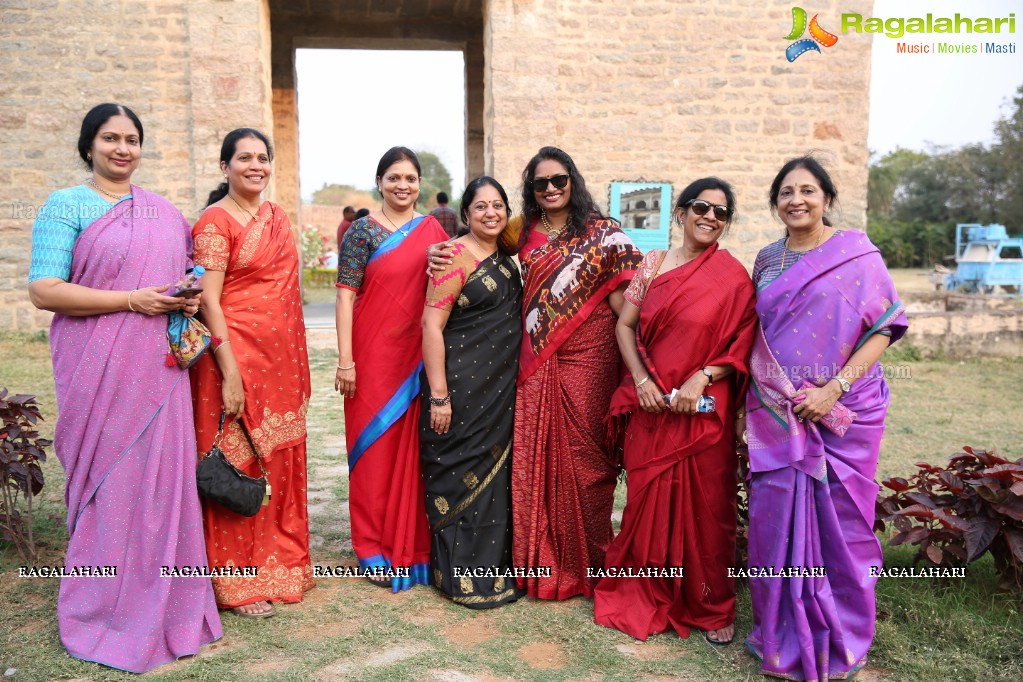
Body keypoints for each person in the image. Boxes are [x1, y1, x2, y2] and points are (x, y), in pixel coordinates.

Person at [26, 103, 221, 672]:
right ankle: (101, 607)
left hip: (158, 371)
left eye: (132, 139)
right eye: (110, 138)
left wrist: (181, 295)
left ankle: (170, 600)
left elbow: (187, 277)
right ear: (89, 146)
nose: (122, 148)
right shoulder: (66, 205)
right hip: (96, 368)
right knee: (107, 483)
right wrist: (131, 300)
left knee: (162, 485)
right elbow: (44, 289)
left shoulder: (162, 212)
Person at [430, 146, 642, 599]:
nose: (550, 189)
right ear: (529, 190)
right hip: (536, 362)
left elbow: (626, 302)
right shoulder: (517, 231)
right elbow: (475, 246)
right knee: (536, 456)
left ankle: (590, 561)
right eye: (539, 183)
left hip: (591, 357)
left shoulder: (603, 233)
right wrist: (438, 251)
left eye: (558, 180)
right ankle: (543, 561)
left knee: (588, 463)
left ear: (573, 182)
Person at [744, 156, 908, 680]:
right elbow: (755, 335)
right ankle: (779, 635)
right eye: (787, 192)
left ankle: (841, 636)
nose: (797, 200)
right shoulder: (767, 259)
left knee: (841, 528)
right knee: (773, 525)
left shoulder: (857, 253)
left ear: (827, 198)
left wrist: (832, 389)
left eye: (808, 191)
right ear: (776, 204)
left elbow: (882, 327)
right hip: (777, 413)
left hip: (843, 413)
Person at [592, 178, 756, 645]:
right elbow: (625, 326)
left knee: (709, 508)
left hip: (704, 410)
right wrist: (641, 379)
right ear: (680, 213)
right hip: (653, 404)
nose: (710, 217)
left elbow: (742, 341)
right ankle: (646, 587)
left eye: (721, 212)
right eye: (701, 207)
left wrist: (705, 374)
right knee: (645, 497)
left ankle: (710, 604)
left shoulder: (734, 278)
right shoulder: (652, 265)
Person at [190, 128, 314, 618]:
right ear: (226, 167)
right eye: (244, 158)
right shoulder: (213, 223)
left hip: (280, 361)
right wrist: (230, 372)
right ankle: (236, 582)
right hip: (232, 359)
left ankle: (280, 563)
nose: (256, 166)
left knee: (277, 463)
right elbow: (208, 302)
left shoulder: (276, 216)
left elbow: (286, 296)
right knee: (235, 466)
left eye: (263, 157)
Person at [335, 146, 449, 591]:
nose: (403, 185)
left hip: (417, 357)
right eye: (394, 177)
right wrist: (346, 360)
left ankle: (409, 543)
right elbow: (345, 295)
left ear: (420, 184)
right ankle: (369, 546)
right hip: (370, 355)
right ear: (379, 182)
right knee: (371, 453)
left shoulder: (434, 231)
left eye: (411, 178)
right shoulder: (362, 232)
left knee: (411, 454)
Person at [419, 176, 525, 608]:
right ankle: (457, 577)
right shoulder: (453, 257)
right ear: (465, 214)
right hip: (461, 387)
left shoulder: (507, 256)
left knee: (494, 478)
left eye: (498, 205)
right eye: (481, 206)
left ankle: (494, 571)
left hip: (499, 389)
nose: (491, 213)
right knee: (457, 473)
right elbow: (431, 326)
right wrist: (440, 396)